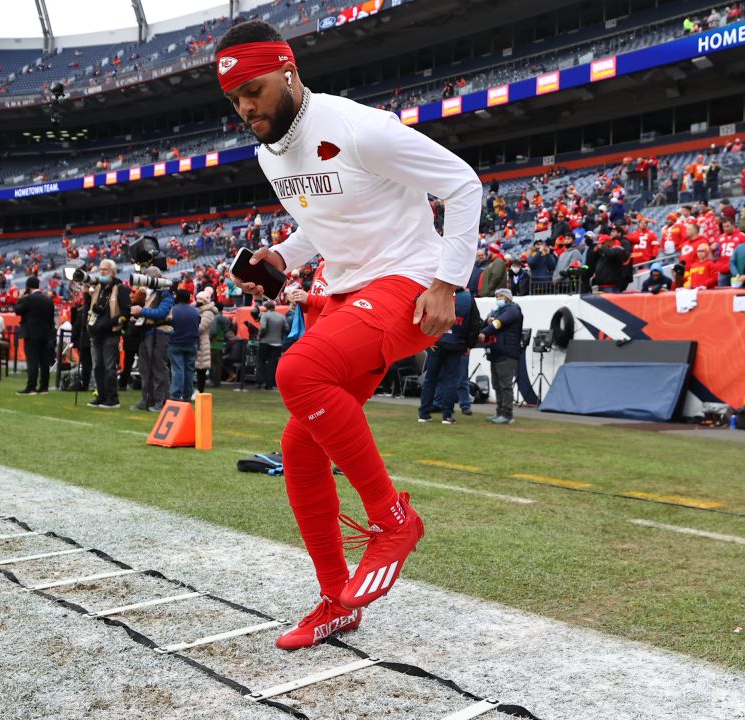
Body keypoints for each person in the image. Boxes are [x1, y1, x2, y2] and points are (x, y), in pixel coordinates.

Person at [218, 21, 479, 650]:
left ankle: (394, 521)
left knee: (296, 373)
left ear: (287, 71)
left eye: (253, 90)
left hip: (406, 286)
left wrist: (448, 283)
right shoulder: (268, 149)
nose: (245, 107)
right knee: (301, 449)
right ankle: (337, 599)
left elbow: (462, 184)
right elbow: (323, 223)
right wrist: (282, 256)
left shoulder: (357, 127)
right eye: (234, 100)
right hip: (344, 291)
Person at [417, 285, 479, 424]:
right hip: (456, 345)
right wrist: (469, 345)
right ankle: (447, 415)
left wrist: (426, 339)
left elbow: (425, 316)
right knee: (450, 380)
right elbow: (474, 323)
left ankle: (424, 413)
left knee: (430, 379)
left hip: (436, 343)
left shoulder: (437, 295)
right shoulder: (468, 299)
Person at [87, 259, 131, 409]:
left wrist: (112, 322)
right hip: (96, 332)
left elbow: (126, 311)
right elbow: (91, 308)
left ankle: (113, 398)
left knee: (109, 367)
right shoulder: (98, 287)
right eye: (101, 269)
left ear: (112, 271)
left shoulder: (121, 288)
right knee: (97, 366)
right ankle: (101, 395)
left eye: (105, 270)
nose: (102, 272)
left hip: (111, 333)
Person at [131, 267, 174, 412]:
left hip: (159, 332)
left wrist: (141, 311)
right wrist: (137, 315)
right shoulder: (153, 294)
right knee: (145, 369)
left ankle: (162, 401)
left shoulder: (166, 293)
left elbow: (162, 312)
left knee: (158, 368)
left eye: (146, 277)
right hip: (147, 332)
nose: (144, 281)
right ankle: (147, 399)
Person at [479, 287, 522, 425]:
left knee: (505, 385)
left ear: (508, 298)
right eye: (496, 296)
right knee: (497, 385)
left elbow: (498, 324)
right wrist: (487, 322)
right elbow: (487, 322)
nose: (498, 298)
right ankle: (499, 412)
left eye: (501, 296)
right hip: (496, 352)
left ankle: (507, 414)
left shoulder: (512, 310)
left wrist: (485, 330)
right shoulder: (497, 311)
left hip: (507, 353)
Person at [15, 276, 55, 396]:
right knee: (44, 361)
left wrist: (20, 298)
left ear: (28, 287)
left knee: (32, 361)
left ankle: (31, 387)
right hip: (45, 334)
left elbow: (18, 310)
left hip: (31, 334)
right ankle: (44, 387)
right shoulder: (48, 299)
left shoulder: (29, 299)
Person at [166, 287, 200, 401]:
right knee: (189, 370)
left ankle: (175, 395)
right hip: (191, 343)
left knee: (177, 370)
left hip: (175, 343)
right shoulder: (195, 311)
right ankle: (187, 395)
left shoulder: (173, 310)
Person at [255, 299, 286, 389]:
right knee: (273, 363)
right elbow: (286, 328)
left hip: (265, 342)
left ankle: (261, 381)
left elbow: (263, 328)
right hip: (277, 343)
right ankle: (271, 383)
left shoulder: (265, 315)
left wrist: (260, 336)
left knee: (261, 362)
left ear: (266, 307)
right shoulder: (281, 316)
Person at [194, 286, 219, 394]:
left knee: (201, 369)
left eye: (200, 300)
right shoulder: (201, 311)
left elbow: (201, 327)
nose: (197, 302)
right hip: (198, 342)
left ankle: (200, 391)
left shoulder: (208, 313)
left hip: (202, 342)